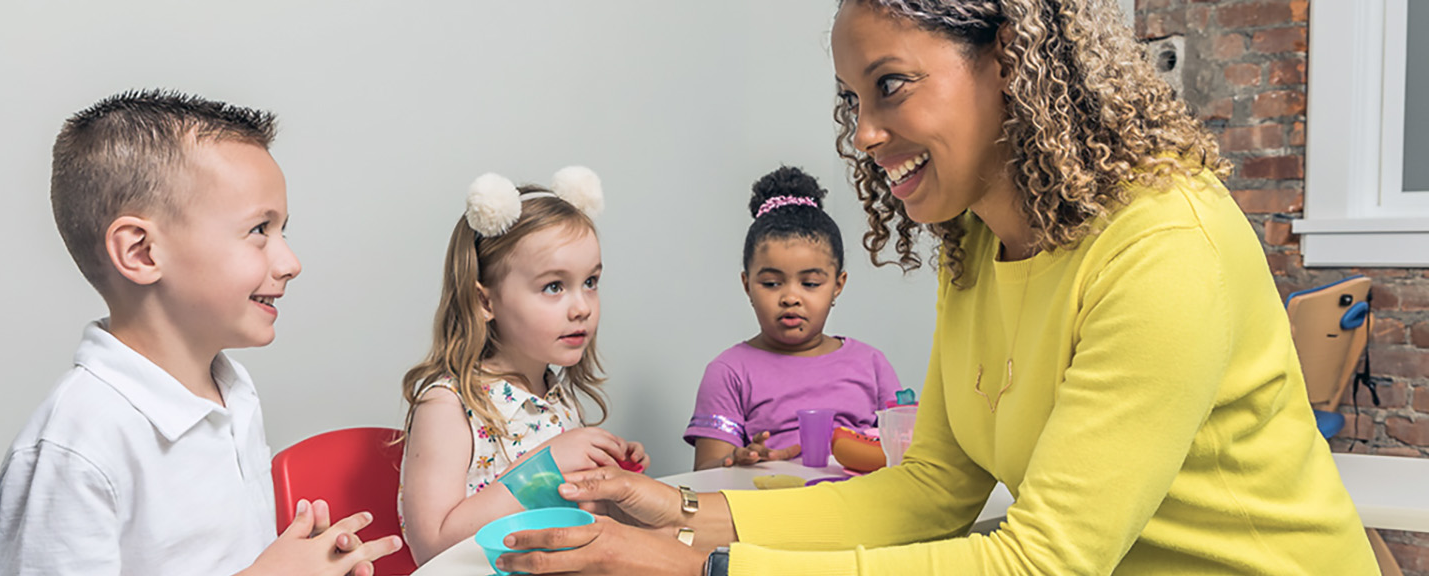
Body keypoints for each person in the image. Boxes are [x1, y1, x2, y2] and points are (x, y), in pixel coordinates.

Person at [490, 0, 1381, 574]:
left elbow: (1042, 563)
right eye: (852, 102)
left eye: (890, 87)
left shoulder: (1161, 242)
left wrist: (700, 565)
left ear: (1008, 60)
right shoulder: (976, 245)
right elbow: (930, 492)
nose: (867, 134)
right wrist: (683, 510)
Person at [0, 90, 401, 576]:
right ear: (141, 252)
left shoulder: (233, 391)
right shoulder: (77, 445)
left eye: (283, 231)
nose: (290, 263)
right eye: (258, 230)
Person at [397, 168, 649, 564]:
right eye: (554, 286)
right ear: (485, 302)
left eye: (591, 282)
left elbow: (569, 519)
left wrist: (610, 480)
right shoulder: (448, 406)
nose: (582, 306)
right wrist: (546, 466)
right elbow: (432, 546)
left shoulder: (555, 395)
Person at [685, 166, 901, 470]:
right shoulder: (728, 372)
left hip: (861, 511)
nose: (790, 297)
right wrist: (735, 462)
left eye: (810, 283)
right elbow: (706, 472)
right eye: (772, 283)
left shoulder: (872, 365)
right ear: (747, 285)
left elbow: (903, 453)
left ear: (838, 285)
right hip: (770, 510)